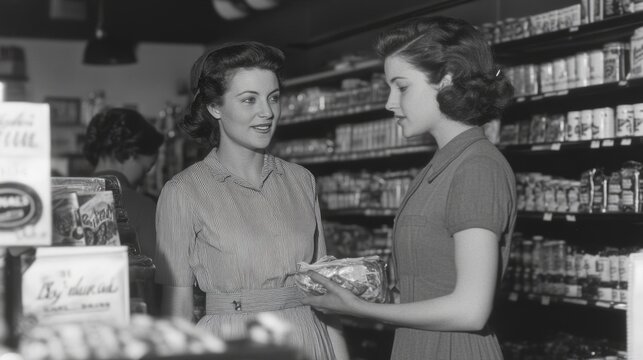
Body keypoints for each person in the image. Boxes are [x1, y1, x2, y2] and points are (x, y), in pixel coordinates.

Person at [302, 16, 517, 360]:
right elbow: (423, 288)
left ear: (445, 81)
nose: (390, 102)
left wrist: (360, 309)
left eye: (401, 87)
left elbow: (470, 310)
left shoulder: (477, 166)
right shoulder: (440, 165)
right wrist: (351, 282)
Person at [154, 41, 348, 360]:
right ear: (215, 107)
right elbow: (177, 313)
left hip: (307, 340)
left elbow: (324, 293)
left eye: (273, 98)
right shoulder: (183, 191)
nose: (267, 112)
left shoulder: (302, 181)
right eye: (249, 100)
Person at [83, 107, 164, 260]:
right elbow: (156, 275)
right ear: (130, 154)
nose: (143, 178)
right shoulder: (143, 208)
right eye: (146, 169)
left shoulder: (65, 199)